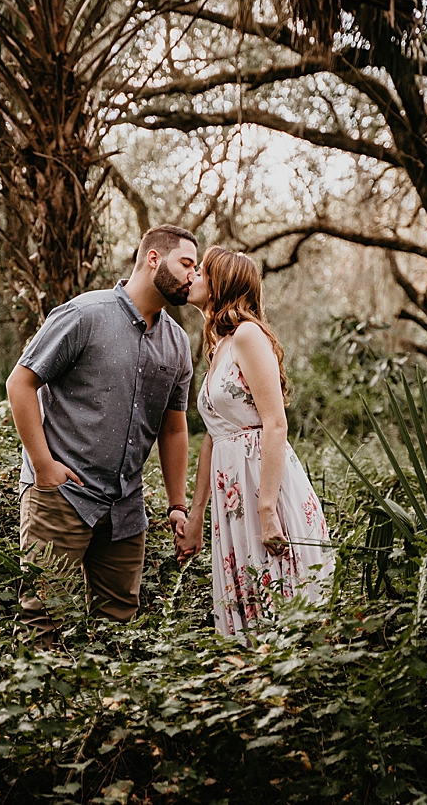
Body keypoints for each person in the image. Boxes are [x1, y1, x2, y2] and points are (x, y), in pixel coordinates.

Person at [5, 224, 197, 637]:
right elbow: (20, 383)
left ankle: (104, 704)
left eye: (195, 268)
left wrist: (177, 505)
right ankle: (39, 702)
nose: (192, 276)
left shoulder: (178, 344)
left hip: (126, 506)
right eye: (186, 263)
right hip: (62, 494)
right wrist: (43, 467)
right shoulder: (85, 314)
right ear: (152, 258)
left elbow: (173, 430)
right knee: (43, 619)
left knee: (120, 626)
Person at [175, 246, 333, 636]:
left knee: (280, 607)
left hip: (264, 489)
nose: (192, 276)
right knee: (245, 608)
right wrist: (196, 515)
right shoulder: (218, 348)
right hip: (232, 493)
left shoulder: (248, 336)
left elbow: (275, 422)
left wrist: (266, 509)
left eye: (201, 271)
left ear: (221, 282)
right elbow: (214, 436)